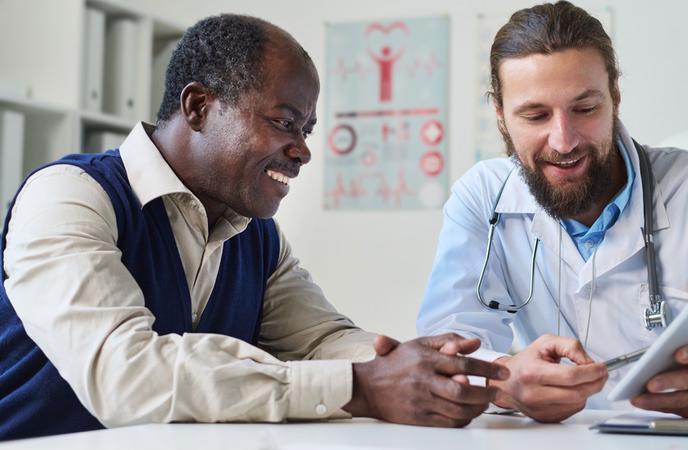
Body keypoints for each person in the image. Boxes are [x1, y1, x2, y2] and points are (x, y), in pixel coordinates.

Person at [0, 14, 509, 441]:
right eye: (285, 121)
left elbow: (322, 340)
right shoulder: (70, 195)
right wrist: (362, 386)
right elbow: (125, 376)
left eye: (306, 130)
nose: (304, 149)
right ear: (199, 107)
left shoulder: (254, 234)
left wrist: (468, 374)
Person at [417, 1, 688, 423]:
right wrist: (504, 382)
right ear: (501, 117)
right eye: (535, 114)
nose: (563, 141)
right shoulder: (482, 198)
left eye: (585, 109)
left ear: (615, 97)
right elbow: (442, 354)